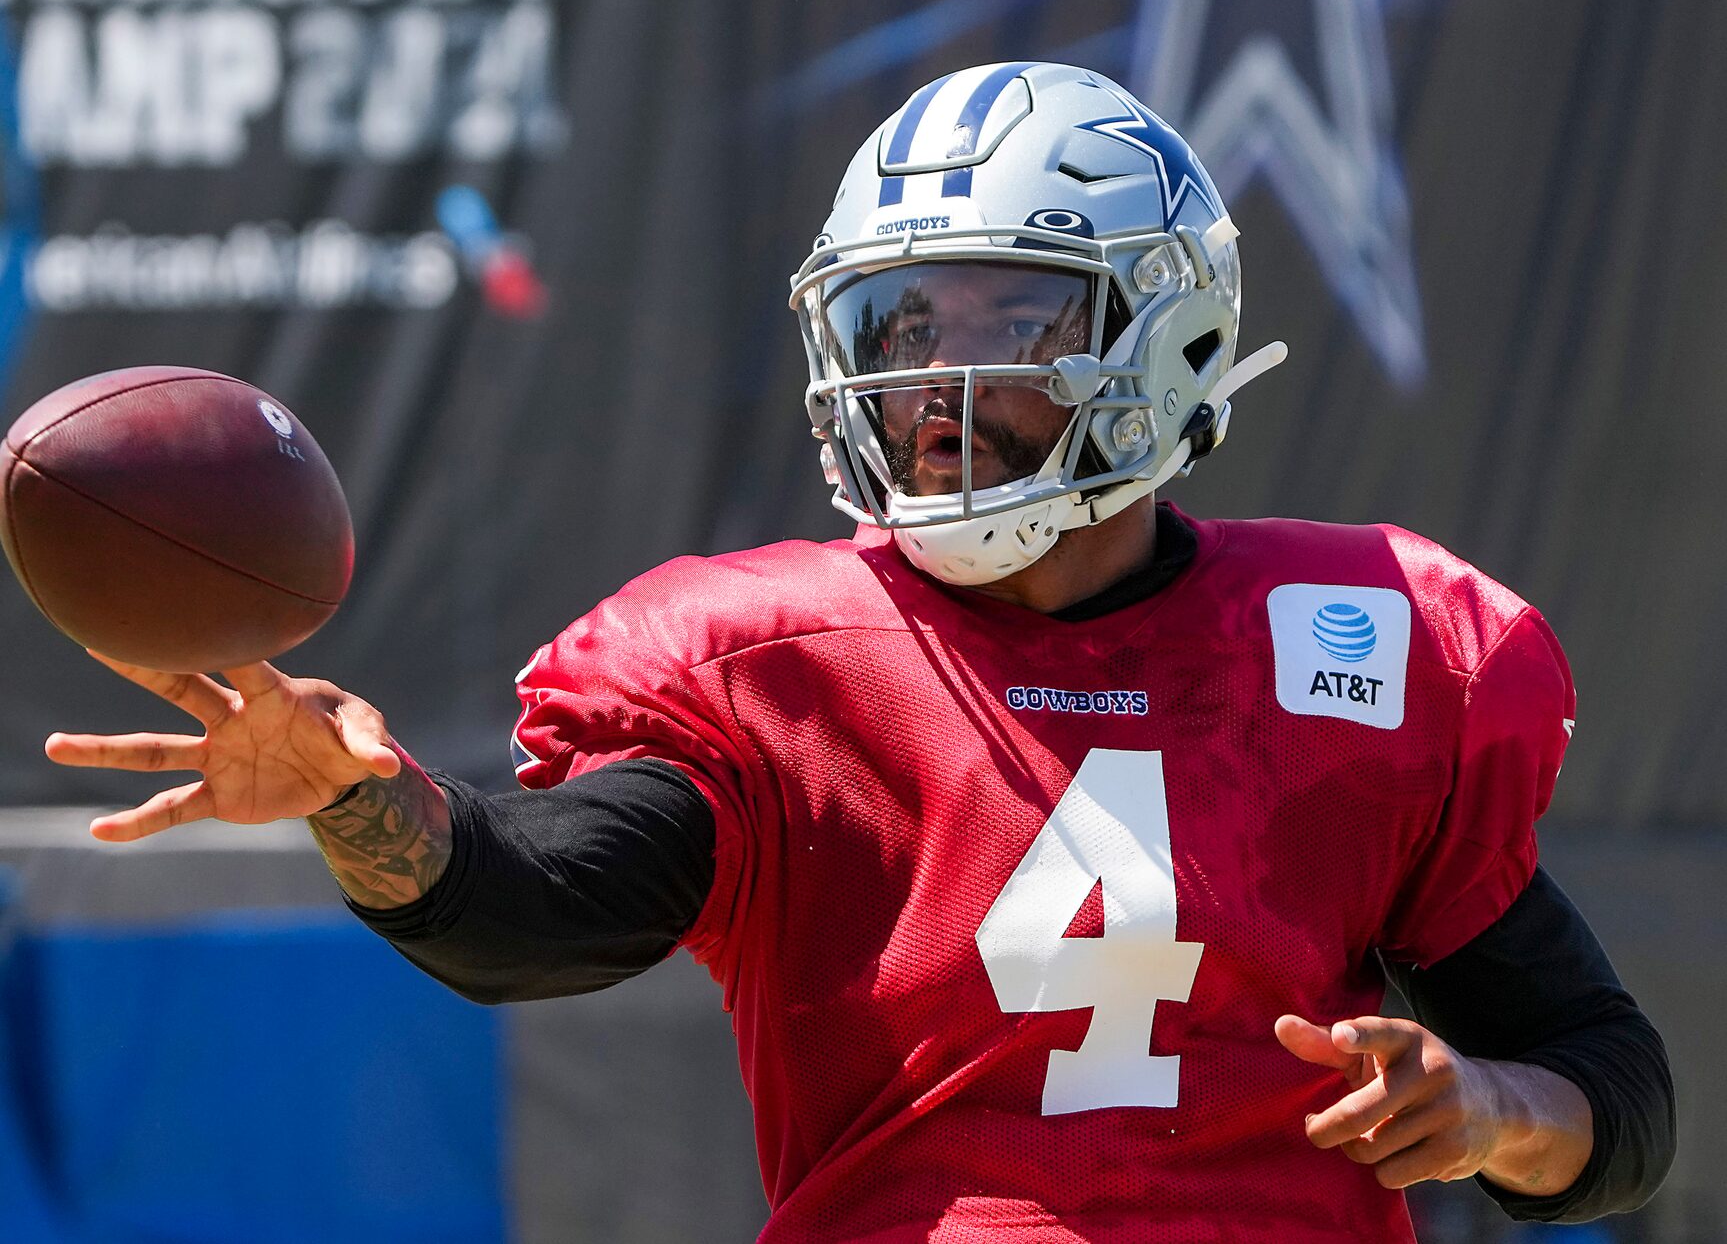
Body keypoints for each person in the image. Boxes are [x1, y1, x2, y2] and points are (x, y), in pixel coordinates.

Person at [46, 62, 1673, 1243]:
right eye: (904, 325)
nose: (934, 387)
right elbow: (535, 912)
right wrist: (358, 796)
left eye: (1007, 321)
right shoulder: (783, 661)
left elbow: (1617, 1088)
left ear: (1165, 340)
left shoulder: (1357, 650)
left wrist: (1490, 1109)